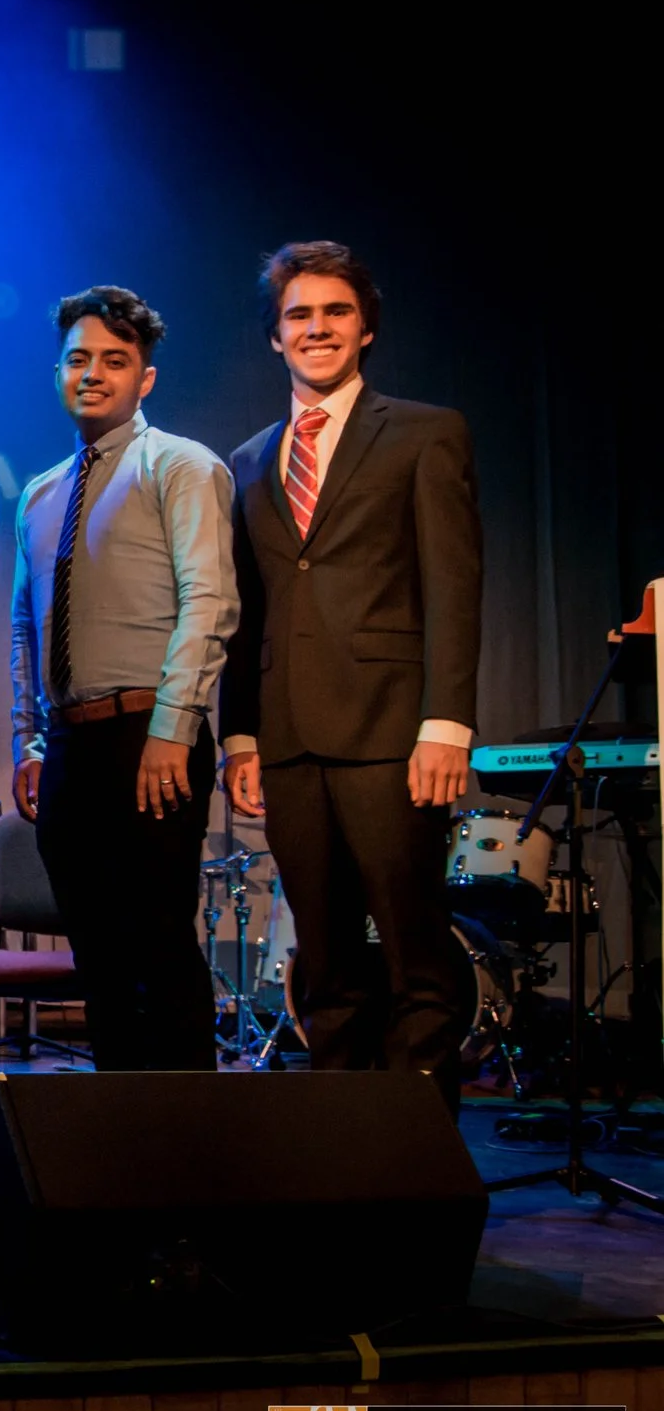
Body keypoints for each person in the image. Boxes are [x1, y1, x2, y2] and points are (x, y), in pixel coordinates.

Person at [221, 241, 481, 1109]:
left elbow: (454, 586)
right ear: (275, 336)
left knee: (415, 954)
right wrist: (241, 734)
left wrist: (446, 724)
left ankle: (421, 1151)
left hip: (391, 733)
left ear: (366, 328)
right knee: (325, 964)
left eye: (336, 311)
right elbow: (248, 609)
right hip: (289, 739)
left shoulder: (424, 432)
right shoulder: (250, 459)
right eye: (299, 314)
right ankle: (339, 1144)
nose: (317, 327)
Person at [9, 287, 238, 1071]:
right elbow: (25, 628)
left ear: (146, 378)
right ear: (58, 373)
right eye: (78, 359)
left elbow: (209, 602)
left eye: (114, 360)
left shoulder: (181, 466)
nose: (93, 374)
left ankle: (187, 1132)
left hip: (151, 734)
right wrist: (30, 743)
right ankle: (119, 1128)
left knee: (159, 948)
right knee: (98, 960)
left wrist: (174, 728)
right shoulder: (40, 492)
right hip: (70, 748)